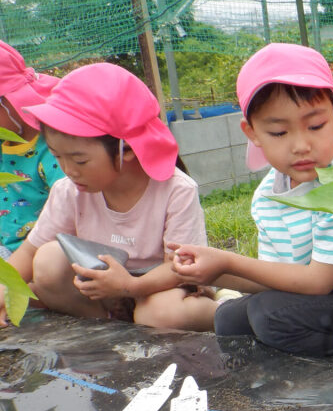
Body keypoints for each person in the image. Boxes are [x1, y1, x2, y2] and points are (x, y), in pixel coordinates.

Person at [171, 43, 333, 358]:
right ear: (253, 133)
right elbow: (275, 278)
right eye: (279, 132)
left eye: (316, 126)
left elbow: (317, 282)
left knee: (270, 316)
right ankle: (292, 376)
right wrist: (209, 272)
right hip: (331, 300)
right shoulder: (268, 196)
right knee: (229, 318)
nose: (301, 145)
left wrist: (227, 261)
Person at [0, 62, 216, 330]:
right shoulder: (68, 191)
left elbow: (179, 268)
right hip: (104, 296)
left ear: (126, 149)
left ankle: (223, 312)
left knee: (162, 314)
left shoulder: (175, 190)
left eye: (80, 161)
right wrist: (5, 290)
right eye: (58, 157)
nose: (68, 171)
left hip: (161, 289)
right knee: (48, 260)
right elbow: (31, 250)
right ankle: (109, 329)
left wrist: (130, 286)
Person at [0, 40, 64, 259]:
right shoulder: (3, 143)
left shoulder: (53, 149)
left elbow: (68, 209)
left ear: (7, 101)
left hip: (40, 251)